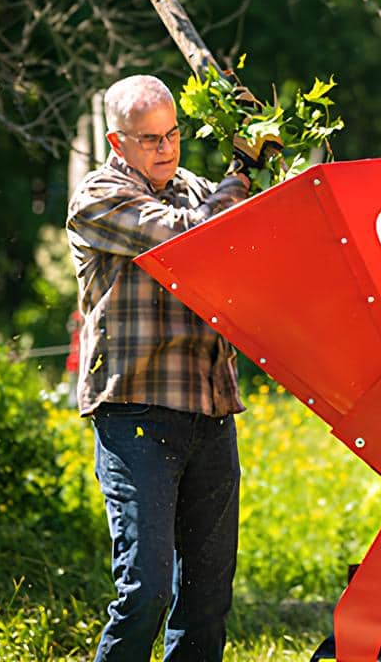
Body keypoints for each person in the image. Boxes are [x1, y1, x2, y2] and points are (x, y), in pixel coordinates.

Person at [66, 74, 277, 662]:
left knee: (207, 596)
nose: (166, 148)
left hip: (209, 412)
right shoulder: (99, 198)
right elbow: (190, 239)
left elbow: (252, 234)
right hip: (135, 413)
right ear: (117, 141)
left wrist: (262, 146)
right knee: (148, 591)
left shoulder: (197, 188)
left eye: (174, 134)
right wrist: (239, 172)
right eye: (150, 138)